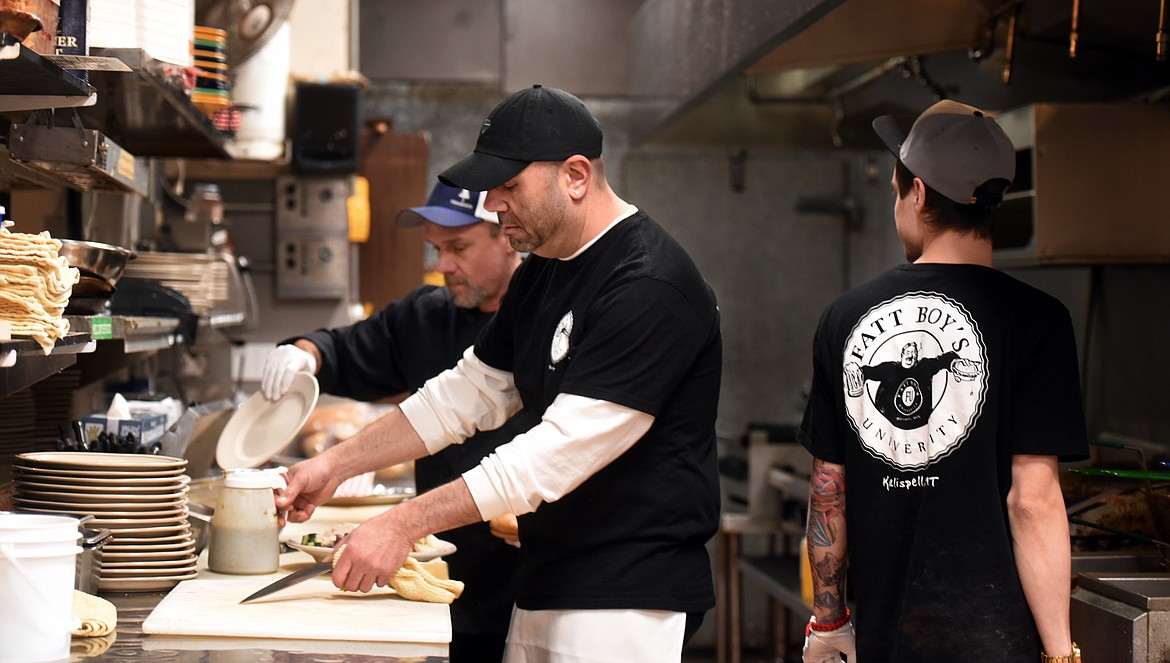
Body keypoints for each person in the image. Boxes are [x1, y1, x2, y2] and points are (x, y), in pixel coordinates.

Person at [275, 84, 723, 662]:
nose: (492, 203)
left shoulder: (648, 285)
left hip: (626, 598)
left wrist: (401, 524)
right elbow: (466, 394)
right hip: (545, 580)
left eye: (509, 186)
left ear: (576, 176)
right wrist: (333, 465)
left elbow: (554, 455)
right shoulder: (545, 272)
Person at [797, 99, 1089, 663]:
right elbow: (1033, 501)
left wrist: (830, 623)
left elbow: (828, 488)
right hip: (998, 641)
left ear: (919, 194)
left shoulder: (844, 317)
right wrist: (1061, 654)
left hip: (888, 638)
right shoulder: (1039, 320)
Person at [260, 180, 524, 663]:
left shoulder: (540, 327)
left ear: (508, 236)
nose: (443, 266)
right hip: (433, 563)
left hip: (522, 572)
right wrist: (304, 354)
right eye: (437, 250)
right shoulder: (426, 316)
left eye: (458, 247)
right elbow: (348, 350)